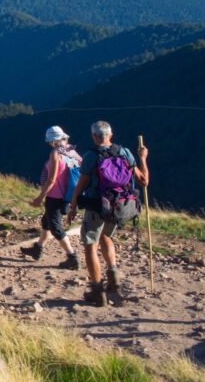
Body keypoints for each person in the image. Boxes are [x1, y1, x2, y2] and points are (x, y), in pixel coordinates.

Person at [65, 121, 149, 307]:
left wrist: (73, 207)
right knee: (107, 237)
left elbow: (82, 184)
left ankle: (97, 289)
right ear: (111, 135)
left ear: (94, 136)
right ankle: (113, 277)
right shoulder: (125, 153)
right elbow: (143, 181)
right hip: (119, 206)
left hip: (96, 206)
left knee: (90, 244)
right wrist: (143, 158)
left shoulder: (91, 156)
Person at [21, 126, 81, 270]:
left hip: (55, 196)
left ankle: (72, 256)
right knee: (47, 222)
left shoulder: (55, 154)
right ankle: (38, 248)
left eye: (50, 142)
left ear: (53, 141)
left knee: (55, 227)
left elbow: (51, 179)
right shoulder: (72, 152)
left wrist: (40, 197)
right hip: (67, 195)